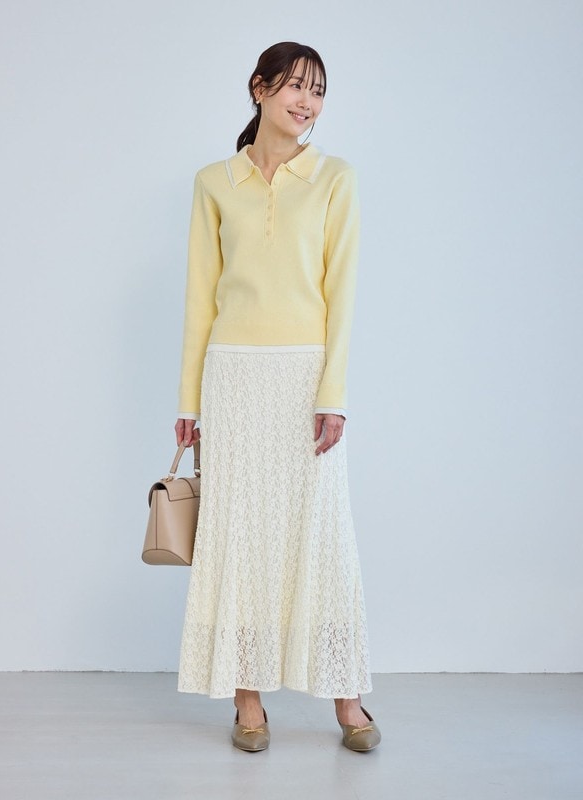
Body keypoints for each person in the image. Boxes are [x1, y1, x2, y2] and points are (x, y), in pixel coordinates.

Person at [173, 41, 380, 753]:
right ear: (259, 88)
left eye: (318, 91)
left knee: (323, 534)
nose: (307, 102)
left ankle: (347, 697)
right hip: (232, 376)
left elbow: (342, 293)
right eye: (295, 86)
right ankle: (248, 699)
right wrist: (189, 402)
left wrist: (334, 393)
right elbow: (200, 296)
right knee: (239, 535)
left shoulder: (335, 178)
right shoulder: (214, 182)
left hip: (304, 378)